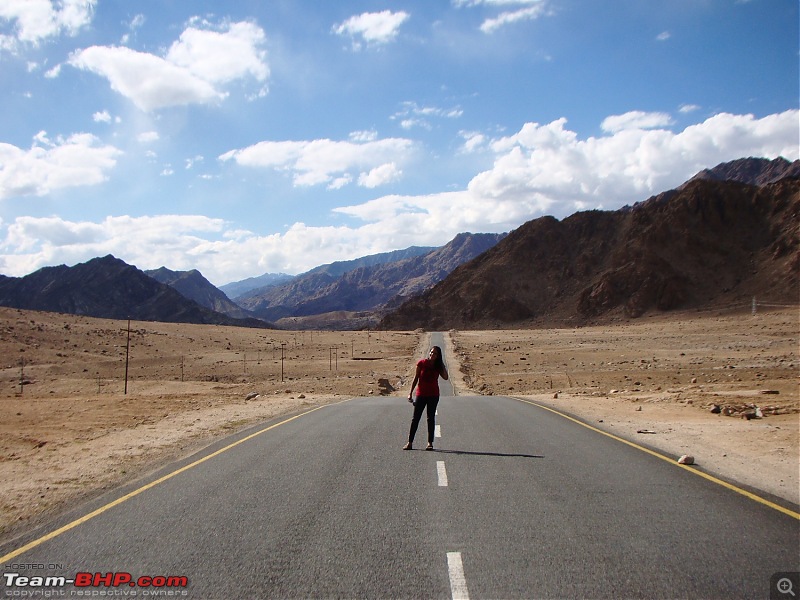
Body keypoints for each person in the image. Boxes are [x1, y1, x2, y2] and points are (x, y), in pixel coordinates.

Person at [403, 345, 449, 451]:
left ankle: (430, 443)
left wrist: (442, 365)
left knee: (430, 418)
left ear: (438, 356)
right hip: (421, 394)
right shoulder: (421, 363)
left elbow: (446, 377)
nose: (432, 354)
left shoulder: (438, 366)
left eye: (435, 354)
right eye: (431, 352)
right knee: (415, 418)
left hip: (433, 395)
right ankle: (410, 442)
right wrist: (410, 393)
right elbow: (416, 378)